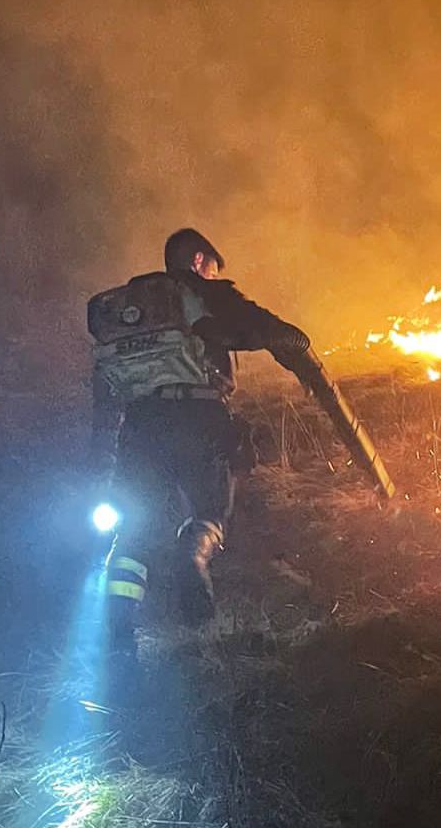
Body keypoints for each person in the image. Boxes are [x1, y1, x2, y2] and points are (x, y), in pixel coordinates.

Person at [88, 228, 393, 659]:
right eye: (213, 266)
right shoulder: (200, 294)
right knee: (211, 512)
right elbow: (268, 331)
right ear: (197, 262)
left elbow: (105, 394)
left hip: (139, 428)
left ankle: (118, 636)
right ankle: (192, 557)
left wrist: (101, 463)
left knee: (134, 531)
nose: (214, 273)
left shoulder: (125, 312)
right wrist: (301, 354)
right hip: (198, 418)